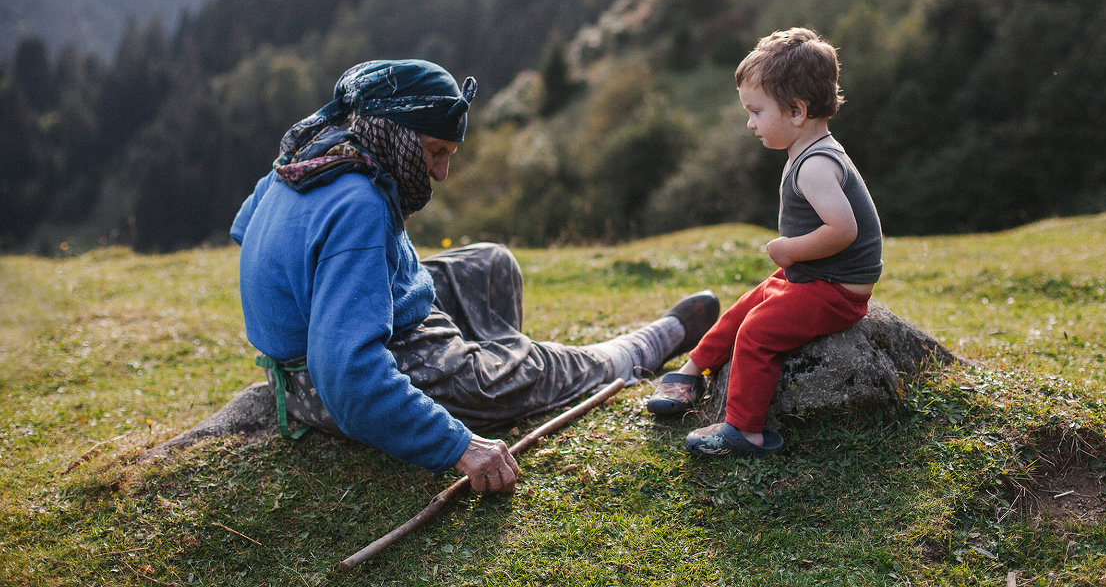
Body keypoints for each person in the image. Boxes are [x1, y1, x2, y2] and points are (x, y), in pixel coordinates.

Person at [230, 59, 718, 492]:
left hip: (374, 317)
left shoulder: (308, 157)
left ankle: (494, 366)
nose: (440, 173)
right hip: (325, 380)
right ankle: (629, 353)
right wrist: (460, 447)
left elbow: (245, 228)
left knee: (492, 264)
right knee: (532, 371)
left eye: (449, 155)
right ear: (394, 133)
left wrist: (314, 289)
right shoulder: (359, 203)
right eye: (434, 150)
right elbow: (345, 372)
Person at [646, 28, 883, 457]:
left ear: (796, 110)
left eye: (756, 111)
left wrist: (791, 250)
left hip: (837, 292)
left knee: (757, 331)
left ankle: (745, 430)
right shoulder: (809, 148)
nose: (750, 123)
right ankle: (693, 368)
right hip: (817, 278)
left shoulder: (815, 166)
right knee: (749, 303)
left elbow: (843, 230)